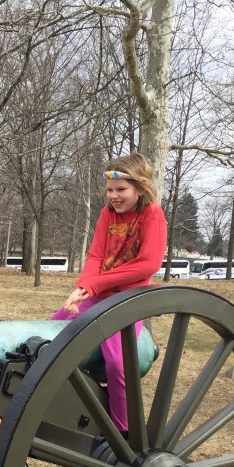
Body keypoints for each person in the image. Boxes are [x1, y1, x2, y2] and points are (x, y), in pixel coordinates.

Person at [51, 153, 167, 433]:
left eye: (121, 190)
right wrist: (82, 289)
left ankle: (123, 430)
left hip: (128, 300)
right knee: (50, 337)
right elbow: (95, 256)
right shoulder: (107, 214)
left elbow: (147, 265)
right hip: (98, 293)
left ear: (140, 187)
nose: (114, 196)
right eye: (110, 190)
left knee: (117, 363)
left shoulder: (152, 215)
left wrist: (95, 285)